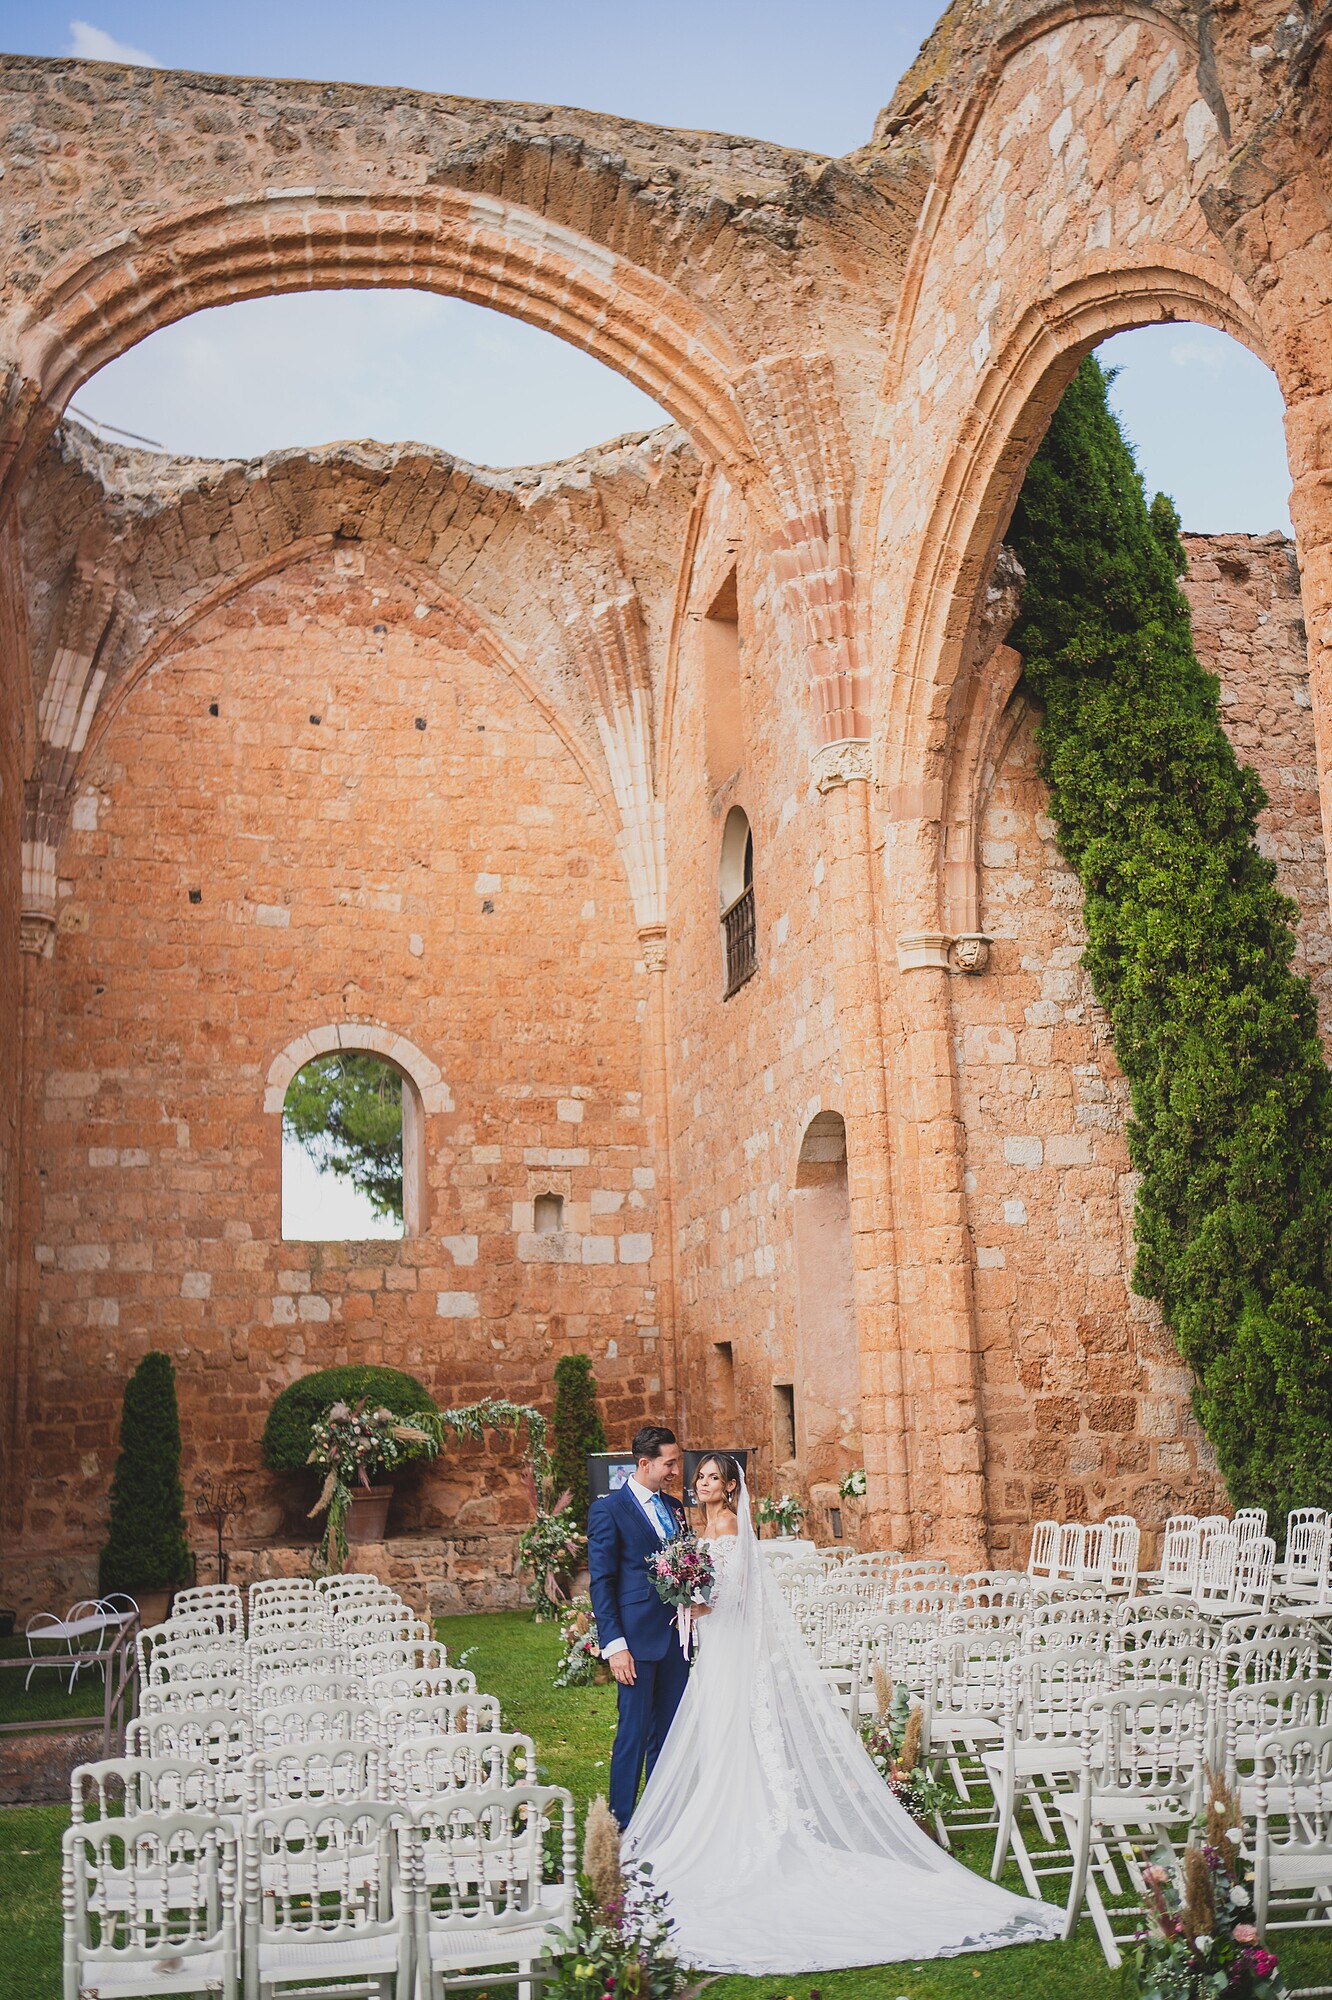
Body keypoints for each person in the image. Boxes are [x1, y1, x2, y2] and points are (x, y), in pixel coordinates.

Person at [624, 1454, 1064, 1975]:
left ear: (731, 1487)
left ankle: (739, 1825)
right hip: (716, 1644)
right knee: (721, 1731)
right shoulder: (704, 1525)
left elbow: (738, 1592)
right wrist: (691, 1598)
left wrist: (702, 1603)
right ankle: (727, 1816)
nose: (702, 1484)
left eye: (713, 1478)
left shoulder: (727, 1526)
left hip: (728, 1642)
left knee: (732, 1729)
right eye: (700, 1477)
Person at [586, 1423, 691, 1829]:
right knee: (632, 1733)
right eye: (669, 1464)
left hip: (676, 1637)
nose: (675, 1471)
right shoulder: (608, 1510)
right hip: (634, 1642)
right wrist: (614, 1645)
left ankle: (661, 1820)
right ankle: (621, 1825)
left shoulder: (675, 1507)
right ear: (645, 1464)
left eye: (676, 1463)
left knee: (668, 1734)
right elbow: (602, 1581)